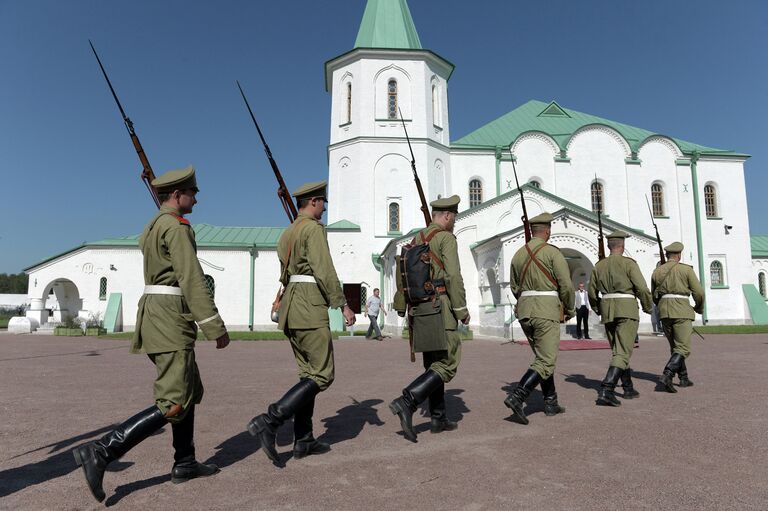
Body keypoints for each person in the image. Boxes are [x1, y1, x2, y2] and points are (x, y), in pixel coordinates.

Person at [72, 166, 231, 503]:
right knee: (173, 400)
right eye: (193, 193)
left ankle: (185, 462)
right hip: (170, 316)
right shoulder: (176, 228)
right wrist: (213, 325)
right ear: (177, 195)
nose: (196, 199)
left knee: (186, 389)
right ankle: (102, 451)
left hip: (158, 314)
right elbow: (191, 278)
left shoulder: (153, 225)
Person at [247, 181, 355, 463]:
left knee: (308, 376)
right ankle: (270, 420)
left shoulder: (288, 232)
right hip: (309, 304)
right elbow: (324, 268)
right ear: (315, 202)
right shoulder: (314, 229)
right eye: (323, 204)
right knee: (322, 375)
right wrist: (342, 303)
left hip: (292, 306)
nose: (325, 209)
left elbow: (284, 273)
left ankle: (303, 439)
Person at [389, 195, 469, 442]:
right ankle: (408, 400)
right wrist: (461, 309)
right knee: (447, 363)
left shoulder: (416, 239)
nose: (453, 221)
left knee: (432, 364)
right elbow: (453, 277)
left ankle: (438, 417)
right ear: (447, 216)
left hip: (420, 309)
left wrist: (401, 306)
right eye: (453, 217)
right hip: (440, 305)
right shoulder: (445, 238)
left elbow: (402, 275)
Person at [504, 213, 575, 425]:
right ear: (547, 231)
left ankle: (550, 402)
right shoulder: (552, 252)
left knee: (542, 357)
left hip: (525, 311)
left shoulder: (518, 254)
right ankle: (518, 396)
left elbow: (515, 287)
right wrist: (569, 308)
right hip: (546, 310)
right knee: (546, 359)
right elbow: (566, 285)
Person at [588, 230, 652, 406]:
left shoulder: (598, 266)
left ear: (609, 246)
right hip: (626, 310)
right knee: (623, 351)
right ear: (622, 246)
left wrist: (598, 308)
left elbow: (592, 293)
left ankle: (628, 387)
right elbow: (642, 288)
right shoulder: (629, 264)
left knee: (618, 351)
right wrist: (648, 306)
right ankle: (607, 389)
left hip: (608, 311)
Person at [651, 242, 705, 392]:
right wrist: (699, 308)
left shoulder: (657, 271)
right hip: (681, 309)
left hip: (664, 311)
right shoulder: (686, 270)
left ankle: (683, 378)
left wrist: (662, 304)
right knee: (683, 348)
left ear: (667, 255)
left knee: (675, 347)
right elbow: (699, 292)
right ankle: (667, 374)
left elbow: (654, 295)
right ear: (679, 255)